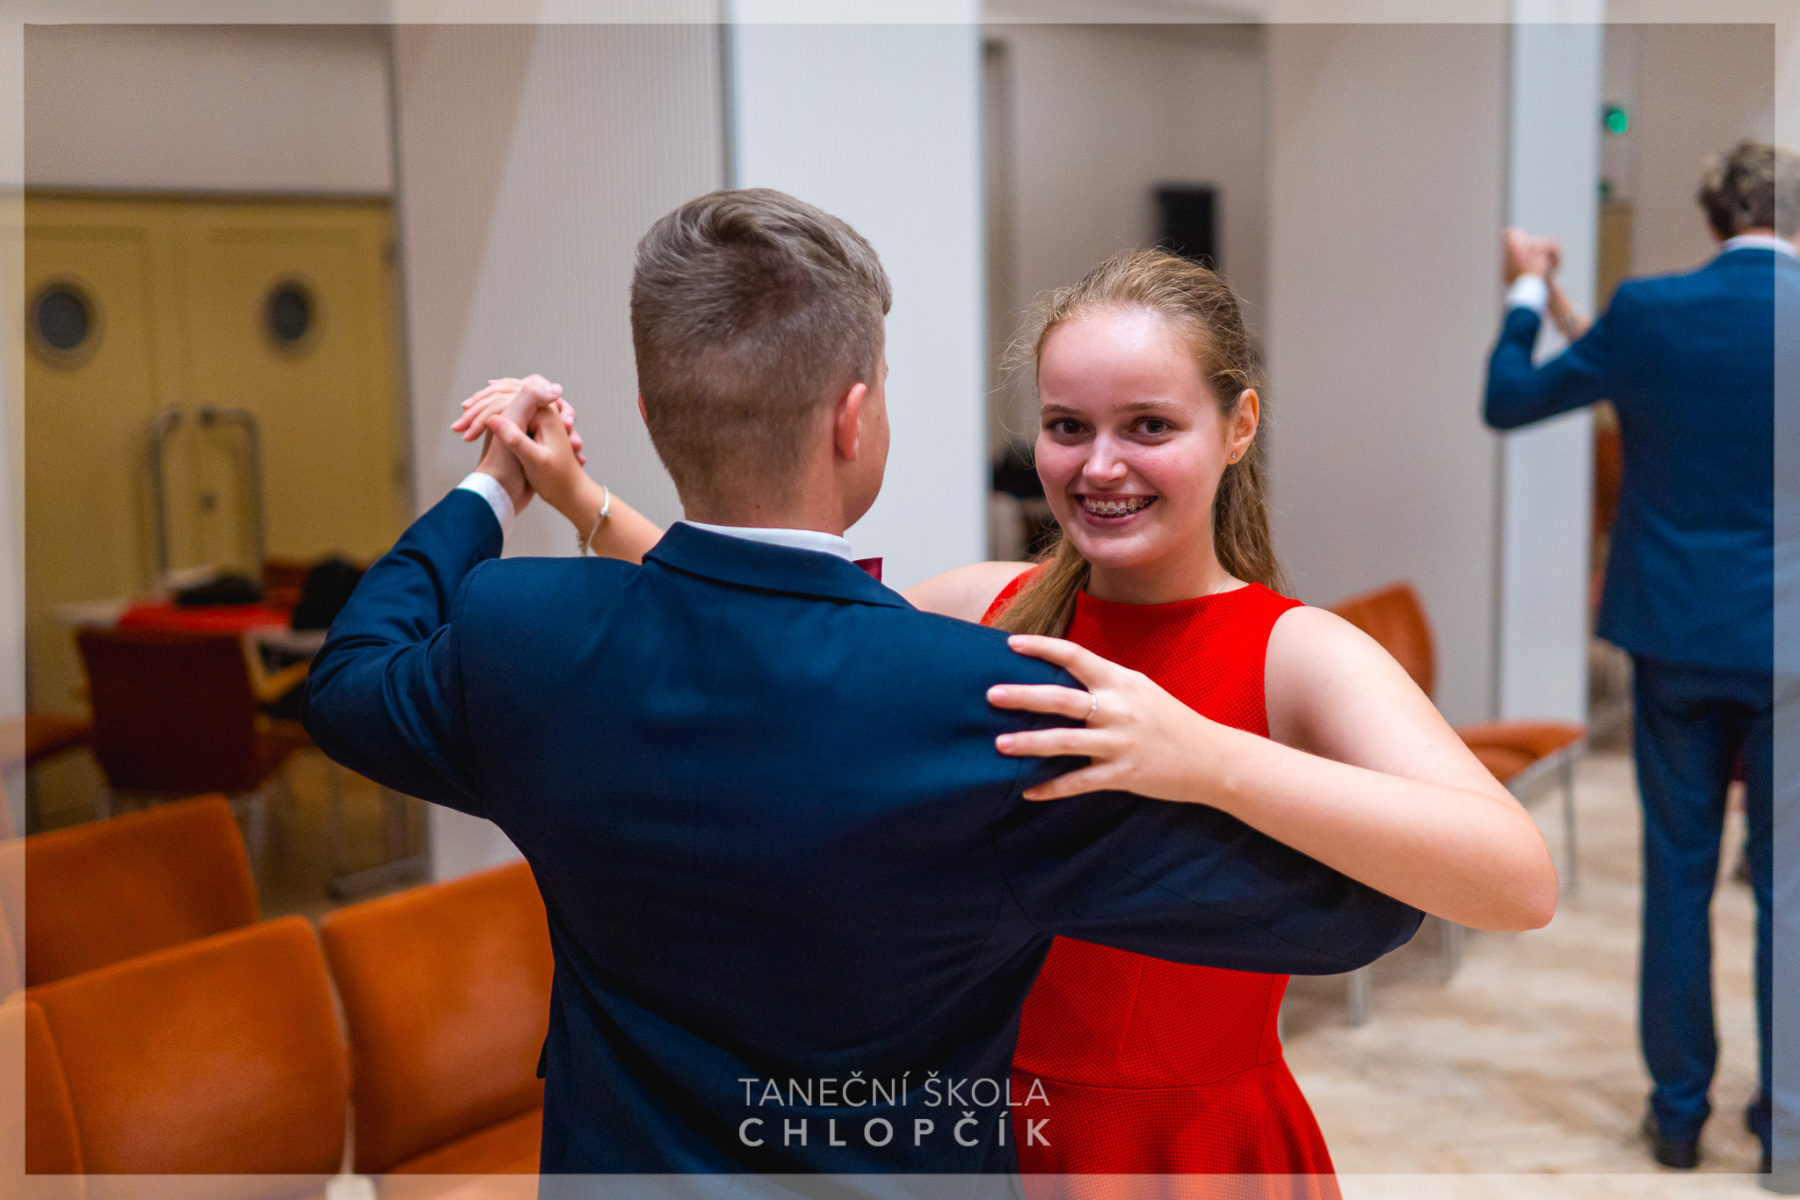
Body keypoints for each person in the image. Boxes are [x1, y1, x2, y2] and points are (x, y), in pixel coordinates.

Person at [306, 188, 1426, 1183]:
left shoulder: (521, 639)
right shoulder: (992, 710)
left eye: (1147, 426)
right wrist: (1212, 758)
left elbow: (352, 678)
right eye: (1067, 426)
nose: (1100, 461)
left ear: (652, 412)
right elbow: (1355, 908)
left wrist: (496, 491)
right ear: (854, 419)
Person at [1484, 138, 1795, 1184]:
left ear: (1712, 217)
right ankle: (1788, 1130)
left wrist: (1528, 290)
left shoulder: (1651, 311)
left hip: (1674, 635)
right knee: (1792, 893)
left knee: (1678, 878)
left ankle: (1677, 1116)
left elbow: (1514, 396)